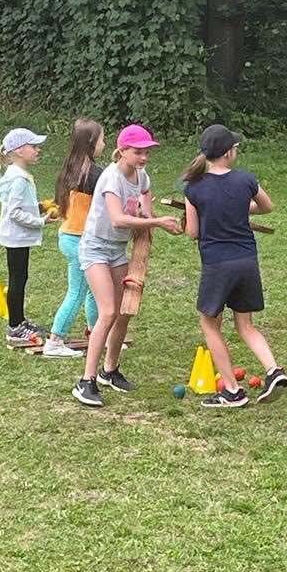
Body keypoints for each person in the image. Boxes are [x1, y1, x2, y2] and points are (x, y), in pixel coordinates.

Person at [72, 124, 183, 408]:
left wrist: (146, 210)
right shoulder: (111, 178)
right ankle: (86, 381)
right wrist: (156, 222)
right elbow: (118, 219)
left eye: (147, 152)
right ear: (122, 151)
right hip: (95, 248)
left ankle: (109, 371)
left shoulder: (140, 174)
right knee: (108, 311)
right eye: (138, 152)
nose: (144, 157)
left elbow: (145, 192)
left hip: (117, 250)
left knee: (123, 312)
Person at [183, 124, 287, 408]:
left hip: (217, 264)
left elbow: (192, 232)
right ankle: (273, 370)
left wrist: (198, 217)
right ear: (228, 153)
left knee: (209, 324)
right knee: (245, 325)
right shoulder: (246, 180)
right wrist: (242, 207)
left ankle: (232, 391)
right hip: (246, 261)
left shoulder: (193, 188)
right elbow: (266, 206)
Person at [43, 118, 105, 358]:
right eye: (102, 140)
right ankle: (55, 341)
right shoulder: (94, 174)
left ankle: (96, 334)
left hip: (70, 236)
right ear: (91, 143)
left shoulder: (70, 169)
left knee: (92, 291)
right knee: (77, 292)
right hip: (80, 240)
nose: (104, 144)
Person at [0, 127, 52, 346]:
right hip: (15, 237)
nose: (38, 150)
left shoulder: (18, 174)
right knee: (17, 280)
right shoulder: (18, 178)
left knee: (20, 278)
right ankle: (14, 328)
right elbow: (15, 213)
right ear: (19, 151)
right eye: (34, 147)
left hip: (17, 237)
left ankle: (19, 321)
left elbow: (21, 205)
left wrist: (39, 207)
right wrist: (41, 221)